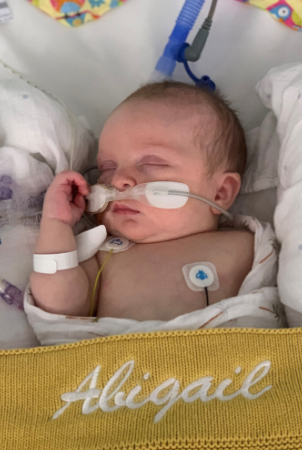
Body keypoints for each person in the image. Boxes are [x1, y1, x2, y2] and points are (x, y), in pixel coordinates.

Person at [27, 82, 280, 345]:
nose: (119, 180)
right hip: (124, 377)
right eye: (108, 167)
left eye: (152, 163)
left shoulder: (249, 243)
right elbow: (59, 310)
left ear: (221, 193)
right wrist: (56, 225)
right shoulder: (103, 255)